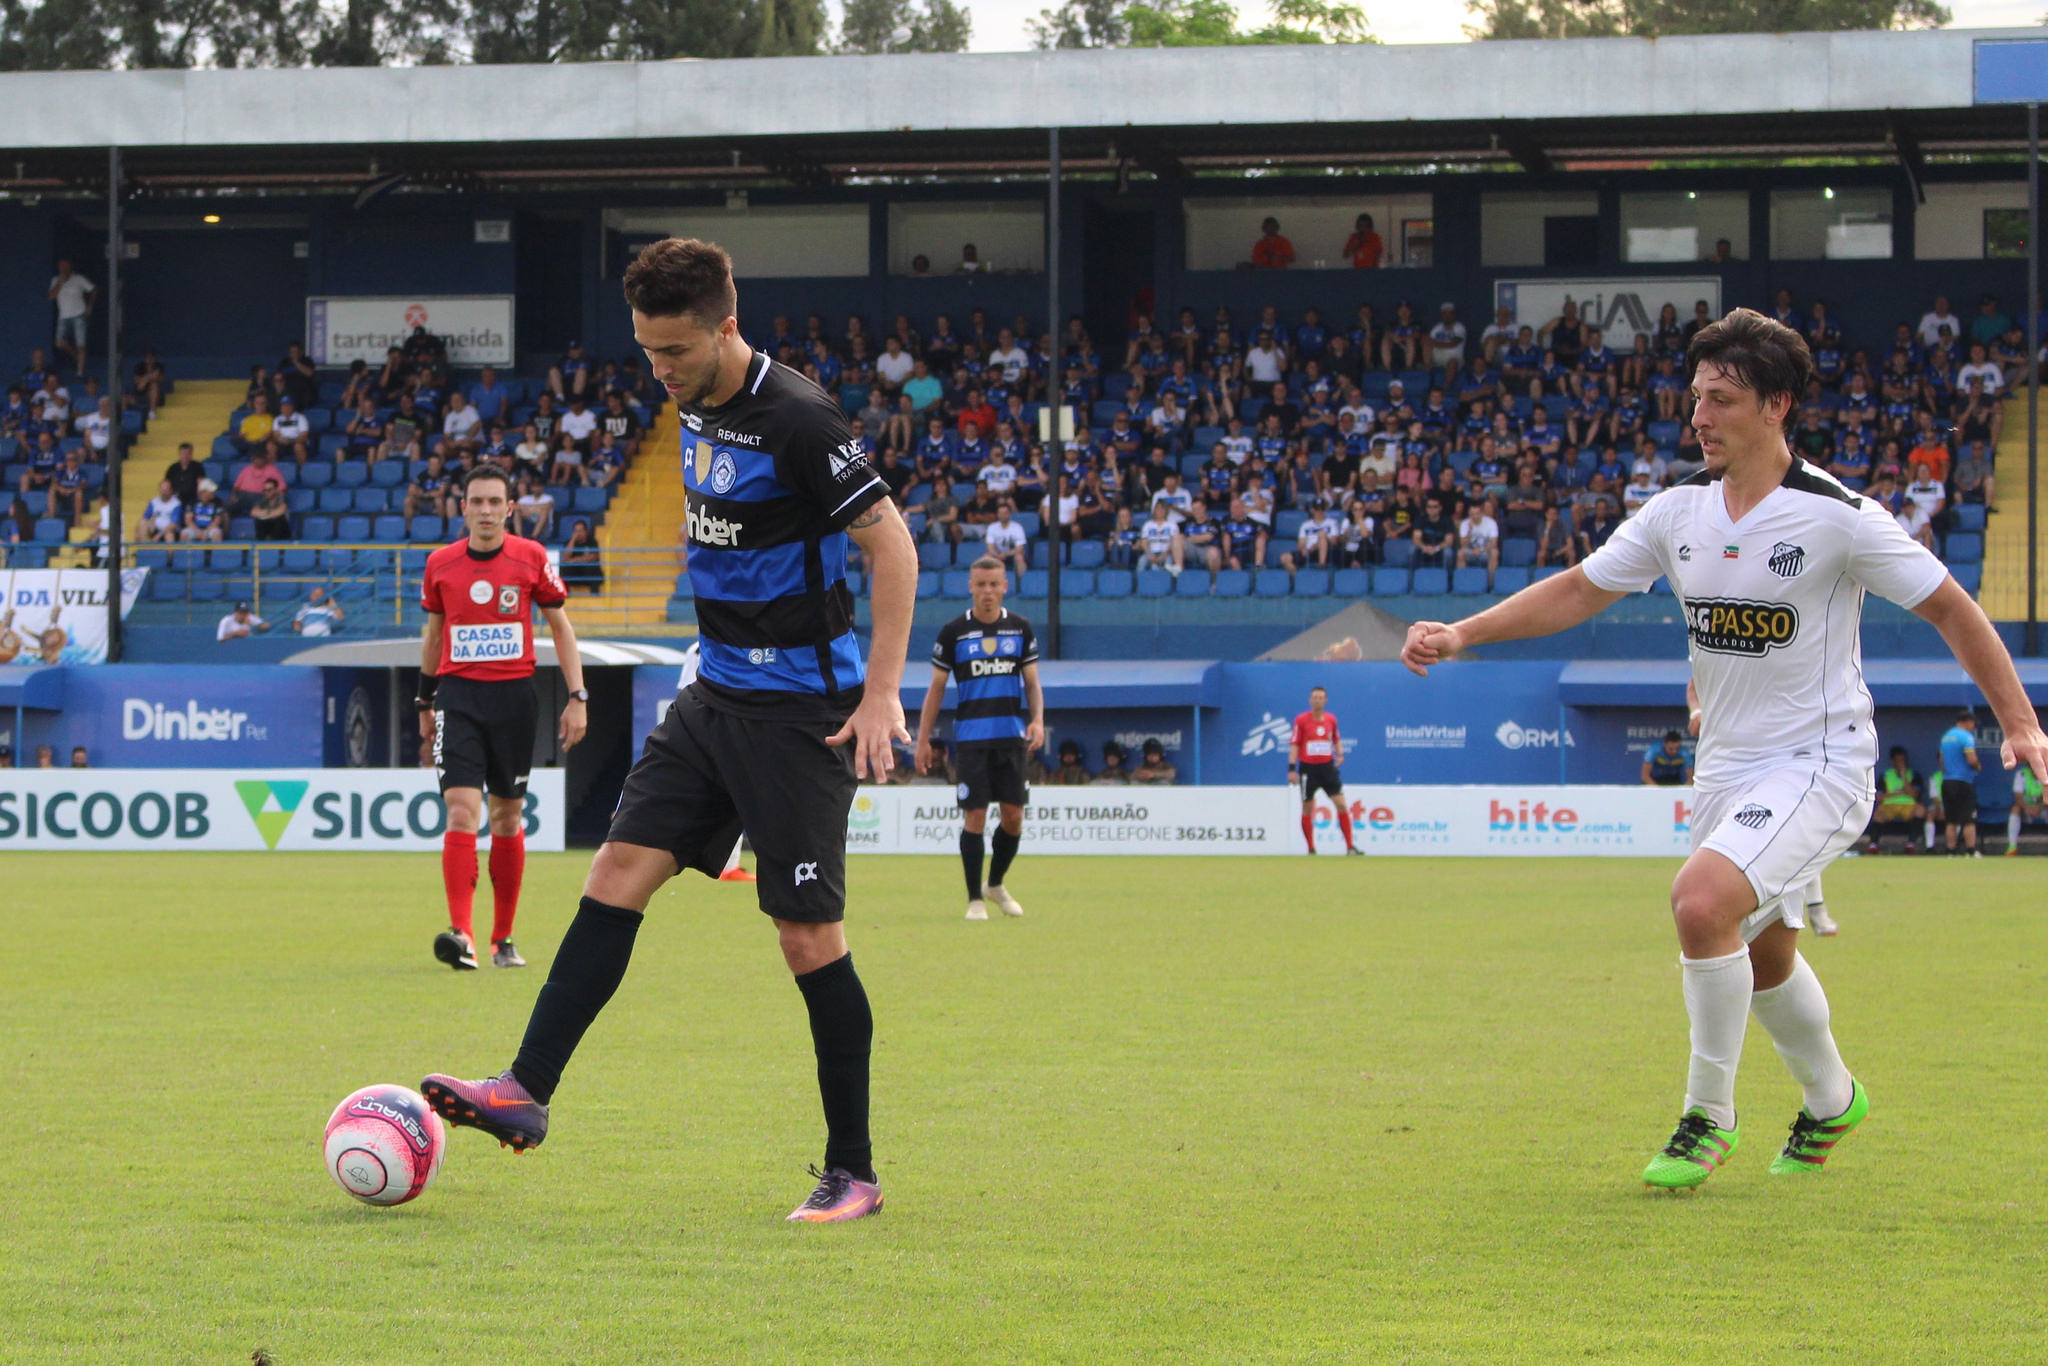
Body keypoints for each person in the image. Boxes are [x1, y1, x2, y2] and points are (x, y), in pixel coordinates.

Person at [1401, 307, 2048, 1189]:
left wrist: (2018, 722)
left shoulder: (1840, 517)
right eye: (1696, 397)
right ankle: (1833, 1099)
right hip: (1730, 768)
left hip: (1823, 762)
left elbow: (1951, 607)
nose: (1699, 416)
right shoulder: (1678, 512)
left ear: (1777, 405)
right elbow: (1581, 589)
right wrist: (1465, 633)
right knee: (1764, 946)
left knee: (1702, 901)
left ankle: (1707, 1117)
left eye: (1722, 399)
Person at [422, 237, 917, 1225]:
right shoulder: (685, 392)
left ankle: (851, 1170)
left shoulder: (799, 417)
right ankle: (525, 1091)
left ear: (727, 327)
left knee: (806, 938)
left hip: (801, 713)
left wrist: (879, 695)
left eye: (677, 351)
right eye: (647, 351)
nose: (661, 370)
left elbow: (891, 546)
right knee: (612, 876)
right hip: (713, 695)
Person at [413, 463, 586, 975]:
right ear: (462, 507)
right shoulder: (440, 564)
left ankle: (502, 938)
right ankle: (461, 934)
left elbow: (561, 628)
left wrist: (578, 695)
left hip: (514, 699)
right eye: (476, 502)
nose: (485, 511)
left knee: (507, 817)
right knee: (461, 811)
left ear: (509, 508)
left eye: (495, 502)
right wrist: (424, 704)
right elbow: (432, 638)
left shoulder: (531, 558)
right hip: (458, 697)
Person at [914, 558, 1044, 921]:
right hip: (972, 740)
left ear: (1005, 586)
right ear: (970, 587)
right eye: (980, 584)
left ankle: (995, 883)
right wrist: (922, 740)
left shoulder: (1020, 629)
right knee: (975, 816)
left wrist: (1037, 720)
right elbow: (936, 690)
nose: (987, 591)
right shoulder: (954, 632)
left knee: (1014, 817)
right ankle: (974, 899)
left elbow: (1032, 683)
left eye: (994, 584)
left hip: (1010, 740)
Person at [1288, 685, 1358, 855]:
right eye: (1315, 697)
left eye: (1321, 697)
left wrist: (1340, 754)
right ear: (1310, 700)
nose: (1317, 700)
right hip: (1308, 770)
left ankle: (1350, 847)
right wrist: (1291, 769)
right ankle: (1311, 848)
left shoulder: (1331, 720)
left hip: (1327, 768)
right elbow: (1295, 744)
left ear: (1325, 700)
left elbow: (1336, 739)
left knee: (1341, 804)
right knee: (1307, 808)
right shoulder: (1301, 720)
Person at [1866, 745, 1929, 854]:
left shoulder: (1913, 775)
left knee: (1921, 810)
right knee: (1878, 814)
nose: (1901, 763)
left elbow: (1914, 794)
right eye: (1898, 761)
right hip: (1889, 805)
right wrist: (1899, 793)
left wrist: (1904, 776)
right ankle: (1873, 845)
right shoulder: (1885, 775)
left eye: (1903, 760)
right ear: (1893, 761)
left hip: (1908, 805)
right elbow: (1879, 797)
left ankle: (1911, 845)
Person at [1938, 709, 1982, 857]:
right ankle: (1971, 850)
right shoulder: (1966, 737)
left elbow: (1942, 762)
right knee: (1968, 819)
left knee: (1951, 819)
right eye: (1973, 723)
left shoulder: (1946, 737)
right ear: (1968, 721)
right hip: (1963, 782)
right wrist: (1978, 767)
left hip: (1947, 782)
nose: (1973, 726)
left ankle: (1951, 851)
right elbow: (1972, 759)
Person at [48, 258, 94, 375]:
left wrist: (89, 307)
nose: (63, 268)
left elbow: (93, 290)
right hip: (63, 316)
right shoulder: (55, 280)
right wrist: (60, 283)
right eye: (61, 266)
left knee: (81, 344)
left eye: (65, 266)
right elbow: (51, 296)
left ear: (70, 267)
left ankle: (80, 371)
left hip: (79, 314)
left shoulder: (78, 279)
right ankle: (75, 355)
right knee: (59, 343)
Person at [2008, 762, 2046, 856]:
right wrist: (2029, 808)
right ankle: (2012, 847)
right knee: (2015, 809)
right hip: (2026, 809)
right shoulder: (2021, 774)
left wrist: (2040, 808)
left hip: (2043, 809)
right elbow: (2018, 797)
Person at [560, 519, 604, 594]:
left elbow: (593, 557)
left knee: (593, 568)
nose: (578, 533)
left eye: (580, 530)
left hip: (587, 573)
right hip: (575, 572)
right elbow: (565, 558)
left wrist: (573, 560)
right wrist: (573, 539)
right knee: (564, 569)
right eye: (576, 531)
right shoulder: (569, 542)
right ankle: (566, 595)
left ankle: (595, 595)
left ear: (586, 531)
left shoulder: (592, 541)